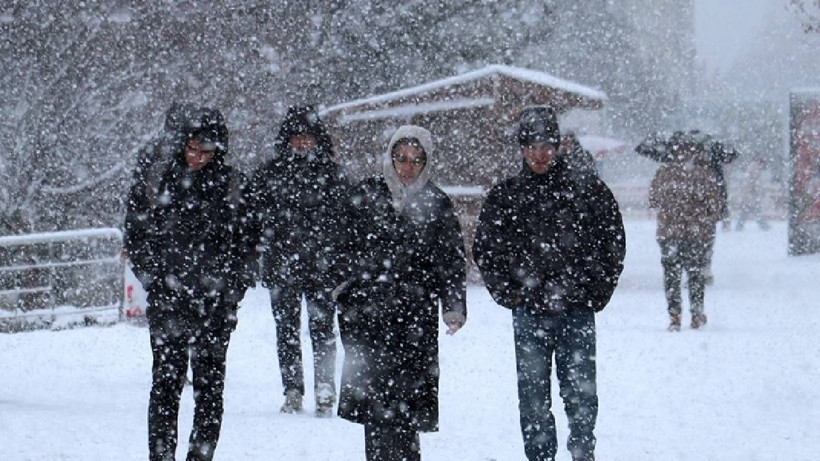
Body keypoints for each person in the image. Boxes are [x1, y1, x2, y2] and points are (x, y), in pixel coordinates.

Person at [473, 106, 625, 461]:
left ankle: (583, 453)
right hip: (529, 312)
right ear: (521, 149)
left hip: (576, 310)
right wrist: (508, 292)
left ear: (558, 146)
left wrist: (595, 292)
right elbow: (486, 249)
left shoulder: (588, 191)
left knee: (581, 396)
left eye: (546, 146)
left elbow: (612, 241)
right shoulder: (506, 196)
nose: (539, 155)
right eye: (531, 147)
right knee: (533, 397)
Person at [124, 107, 254, 461]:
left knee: (209, 391)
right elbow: (136, 235)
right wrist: (155, 280)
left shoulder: (233, 186)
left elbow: (249, 245)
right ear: (182, 144)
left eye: (206, 151)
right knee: (165, 387)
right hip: (169, 302)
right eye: (192, 149)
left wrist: (231, 289)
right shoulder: (157, 181)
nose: (198, 158)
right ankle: (161, 456)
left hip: (215, 306)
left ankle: (200, 456)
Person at [333, 125, 467, 461]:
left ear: (427, 162)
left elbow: (450, 259)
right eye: (401, 158)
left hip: (413, 320)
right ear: (390, 157)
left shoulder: (436, 202)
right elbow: (339, 246)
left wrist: (453, 306)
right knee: (375, 411)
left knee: (406, 409)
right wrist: (344, 288)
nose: (407, 167)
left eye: (416, 160)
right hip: (368, 317)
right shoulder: (365, 194)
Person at [248, 105, 348, 416]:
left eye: (308, 137)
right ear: (287, 140)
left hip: (323, 268)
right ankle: (292, 388)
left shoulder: (335, 177)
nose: (302, 143)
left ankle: (325, 388)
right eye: (297, 137)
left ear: (319, 140)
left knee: (323, 330)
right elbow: (254, 221)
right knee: (286, 330)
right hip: (283, 268)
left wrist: (341, 260)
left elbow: (347, 223)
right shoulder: (269, 176)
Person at [648, 136, 722, 331]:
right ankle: (697, 313)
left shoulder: (664, 173)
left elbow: (653, 200)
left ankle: (675, 315)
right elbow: (715, 206)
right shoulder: (705, 175)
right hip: (696, 234)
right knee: (695, 275)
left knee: (671, 276)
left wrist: (670, 211)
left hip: (668, 233)